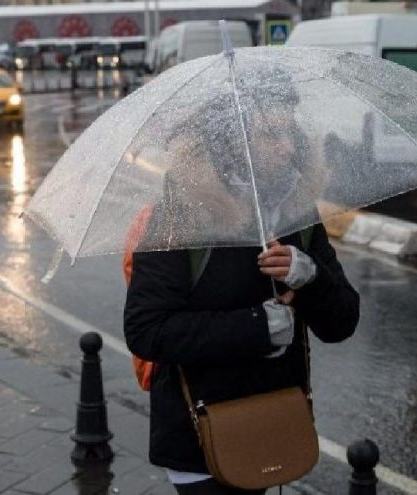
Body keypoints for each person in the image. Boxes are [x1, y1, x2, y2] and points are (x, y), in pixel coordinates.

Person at [123, 75, 360, 495]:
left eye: (289, 131)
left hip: (271, 420)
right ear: (229, 143)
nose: (286, 146)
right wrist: (256, 327)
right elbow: (146, 330)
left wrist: (310, 277)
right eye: (270, 134)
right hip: (201, 434)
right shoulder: (180, 219)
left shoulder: (296, 216)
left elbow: (342, 322)